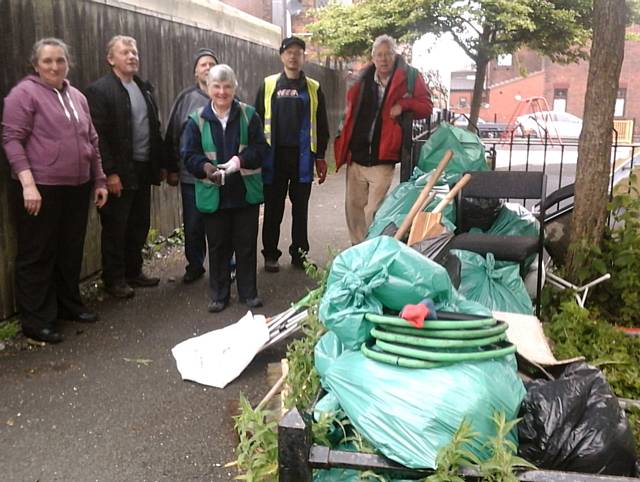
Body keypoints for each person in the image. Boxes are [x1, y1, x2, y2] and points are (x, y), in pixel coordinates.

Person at [2, 38, 108, 343]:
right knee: (37, 253)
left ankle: (68, 305)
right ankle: (36, 321)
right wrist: (28, 184)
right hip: (42, 187)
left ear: (68, 63)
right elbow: (11, 140)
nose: (54, 66)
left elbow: (92, 141)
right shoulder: (23, 94)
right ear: (36, 65)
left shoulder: (77, 96)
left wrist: (98, 180)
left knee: (69, 250)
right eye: (47, 61)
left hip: (77, 186)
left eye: (60, 60)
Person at [86, 35, 178, 299]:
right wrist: (110, 173)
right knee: (116, 226)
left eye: (134, 52)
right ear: (110, 59)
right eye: (125, 52)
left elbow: (154, 128)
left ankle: (133, 272)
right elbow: (98, 136)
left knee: (139, 223)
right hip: (119, 171)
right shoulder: (100, 91)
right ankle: (114, 279)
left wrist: (160, 163)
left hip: (142, 168)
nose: (132, 56)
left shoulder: (143, 88)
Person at [182, 64, 269, 313]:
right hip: (214, 194)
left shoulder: (248, 115)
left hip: (244, 193)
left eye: (227, 86)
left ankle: (248, 293)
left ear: (234, 88)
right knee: (218, 246)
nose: (222, 92)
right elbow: (189, 154)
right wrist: (205, 168)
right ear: (208, 88)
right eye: (217, 87)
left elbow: (261, 149)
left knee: (246, 245)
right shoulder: (196, 120)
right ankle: (219, 295)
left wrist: (239, 161)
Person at [335, 35, 433, 245]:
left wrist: (404, 106)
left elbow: (426, 106)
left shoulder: (409, 76)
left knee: (374, 210)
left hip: (383, 157)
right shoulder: (363, 79)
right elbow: (350, 113)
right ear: (373, 58)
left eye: (387, 54)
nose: (383, 59)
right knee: (353, 208)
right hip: (357, 155)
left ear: (394, 54)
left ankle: (374, 248)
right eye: (379, 55)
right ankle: (359, 249)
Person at [255, 36, 329, 273]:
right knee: (273, 208)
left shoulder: (313, 88)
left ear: (303, 56)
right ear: (281, 56)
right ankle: (270, 255)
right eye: (289, 52)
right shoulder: (268, 85)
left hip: (302, 159)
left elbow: (322, 124)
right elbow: (256, 121)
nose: (293, 56)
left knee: (300, 210)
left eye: (298, 52)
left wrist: (320, 157)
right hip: (273, 158)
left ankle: (300, 254)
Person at [165, 48, 218, 284]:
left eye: (211, 64)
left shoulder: (226, 95)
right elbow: (172, 133)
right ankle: (195, 265)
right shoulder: (186, 99)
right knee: (194, 223)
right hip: (190, 176)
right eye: (203, 64)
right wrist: (172, 168)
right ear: (196, 72)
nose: (207, 67)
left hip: (220, 175)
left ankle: (226, 265)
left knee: (221, 223)